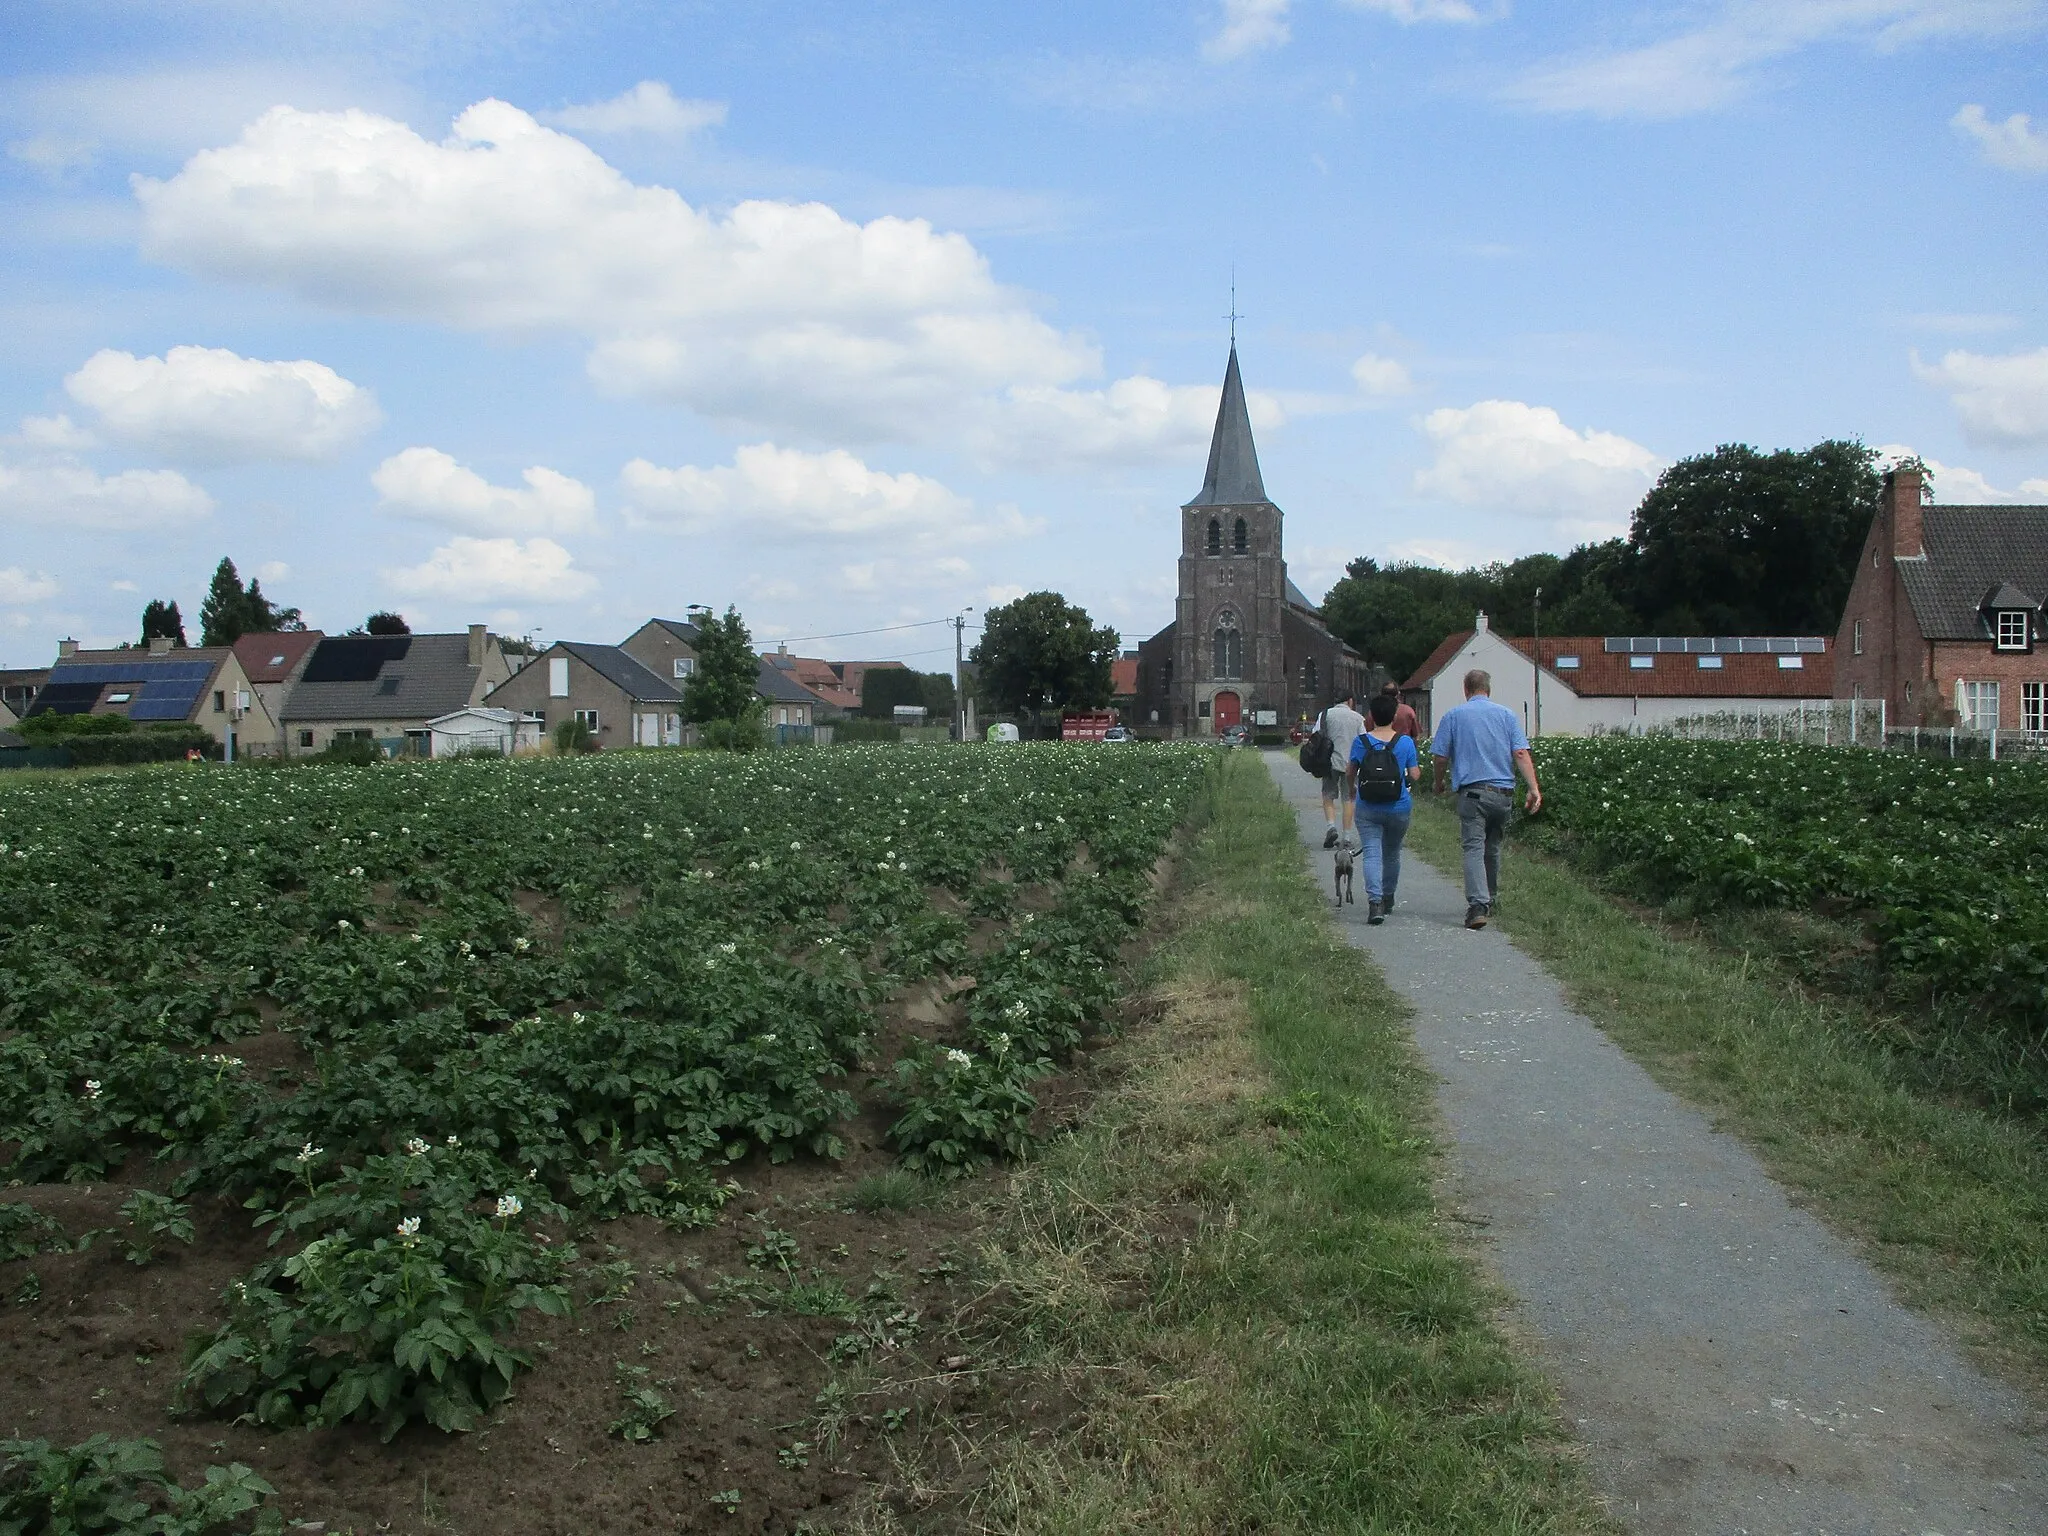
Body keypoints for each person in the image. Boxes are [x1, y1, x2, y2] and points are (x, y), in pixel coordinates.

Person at [1430, 668, 1543, 930]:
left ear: (1466, 690)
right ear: (1488, 690)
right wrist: (1533, 788)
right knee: (1492, 847)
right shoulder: (1507, 716)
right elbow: (1521, 754)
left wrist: (1439, 783)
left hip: (1473, 793)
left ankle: (1478, 905)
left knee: (1473, 847)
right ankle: (1491, 897)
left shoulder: (1454, 716)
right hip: (1503, 794)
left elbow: (1440, 757)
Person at [1347, 693, 1421, 925]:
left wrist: (1352, 789)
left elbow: (1350, 772)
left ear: (1371, 716)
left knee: (1371, 852)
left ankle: (1375, 902)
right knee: (1392, 852)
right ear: (1394, 716)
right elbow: (1415, 774)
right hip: (1398, 806)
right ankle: (1388, 896)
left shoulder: (1361, 742)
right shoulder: (1405, 742)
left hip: (1368, 806)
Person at [1315, 692, 1365, 849]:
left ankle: (1331, 827)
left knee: (1328, 795)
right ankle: (1347, 837)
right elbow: (1363, 740)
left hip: (1329, 763)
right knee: (1348, 798)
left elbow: (1316, 735)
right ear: (1350, 700)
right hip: (1351, 764)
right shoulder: (1358, 718)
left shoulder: (1325, 715)